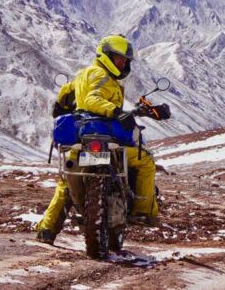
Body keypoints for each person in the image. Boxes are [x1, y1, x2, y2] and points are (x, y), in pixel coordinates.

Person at [36, 34, 170, 244]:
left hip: (83, 139)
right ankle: (144, 212)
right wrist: (115, 113)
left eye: (125, 60)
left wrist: (60, 107)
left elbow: (65, 93)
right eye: (119, 59)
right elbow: (92, 99)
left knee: (66, 182)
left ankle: (47, 230)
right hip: (106, 138)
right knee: (145, 161)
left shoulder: (83, 75)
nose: (123, 63)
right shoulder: (102, 76)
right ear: (106, 55)